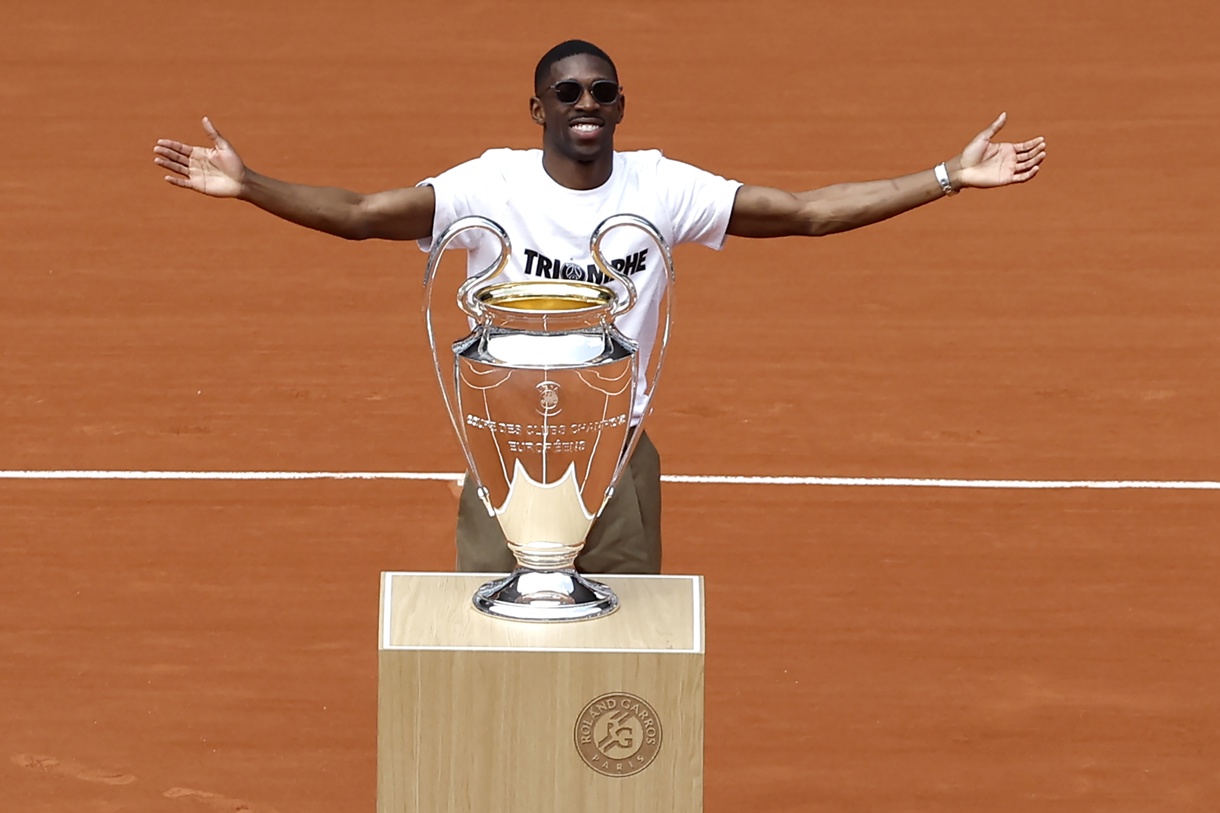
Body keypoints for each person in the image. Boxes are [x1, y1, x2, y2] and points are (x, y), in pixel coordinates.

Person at [153, 39, 1046, 576]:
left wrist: (946, 179)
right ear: (537, 105)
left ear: (620, 106)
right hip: (504, 449)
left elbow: (806, 213)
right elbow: (358, 216)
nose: (588, 104)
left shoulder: (662, 186)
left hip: (616, 452)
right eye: (570, 92)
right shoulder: (487, 185)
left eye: (603, 92)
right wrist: (249, 186)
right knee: (490, 637)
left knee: (621, 646)